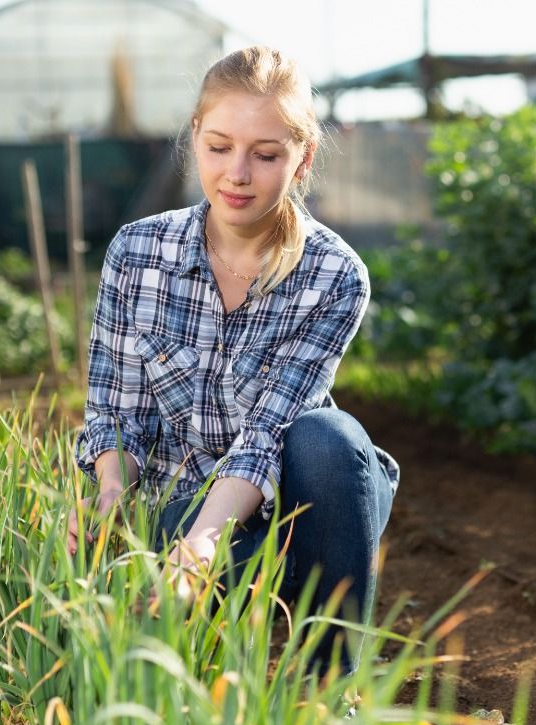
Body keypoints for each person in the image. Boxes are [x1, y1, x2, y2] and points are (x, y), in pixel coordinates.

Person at [68, 45, 399, 671]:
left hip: (302, 501)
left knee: (328, 437)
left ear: (303, 159)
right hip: (182, 498)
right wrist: (110, 494)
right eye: (219, 147)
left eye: (266, 155)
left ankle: (330, 687)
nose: (237, 174)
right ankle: (282, 584)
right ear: (195, 136)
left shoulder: (333, 275)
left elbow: (267, 434)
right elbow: (115, 412)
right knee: (179, 579)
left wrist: (203, 545)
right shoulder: (137, 253)